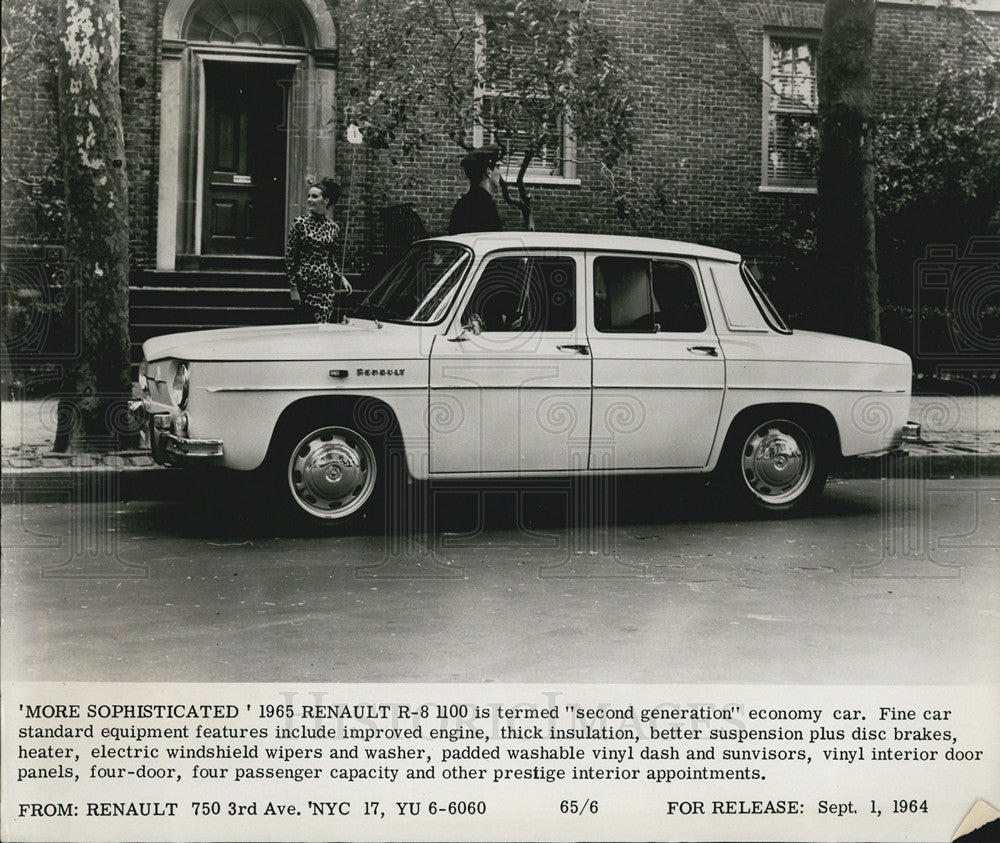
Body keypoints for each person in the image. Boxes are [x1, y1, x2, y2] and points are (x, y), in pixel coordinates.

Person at [286, 177, 352, 323]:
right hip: (305, 285)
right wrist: (293, 288)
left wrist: (341, 277)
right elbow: (291, 257)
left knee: (323, 327)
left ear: (326, 200)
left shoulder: (333, 228)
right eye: (308, 196)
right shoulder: (299, 224)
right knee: (306, 329)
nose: (309, 199)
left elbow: (330, 258)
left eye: (314, 196)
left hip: (326, 287)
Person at [448, 144, 504, 235]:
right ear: (488, 171)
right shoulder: (486, 205)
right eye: (498, 167)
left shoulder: (461, 204)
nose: (500, 172)